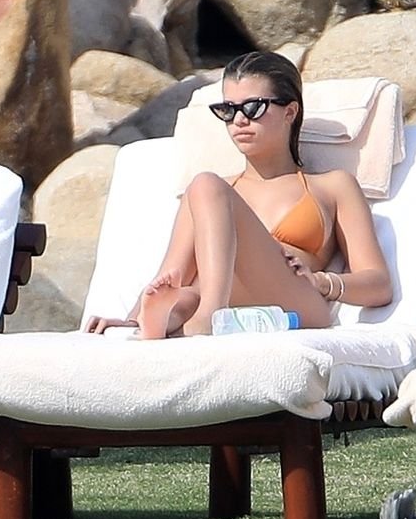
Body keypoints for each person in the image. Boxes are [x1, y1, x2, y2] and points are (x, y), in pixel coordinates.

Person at [86, 50, 394, 339]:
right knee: (182, 294)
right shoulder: (211, 196)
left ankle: (209, 315)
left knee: (206, 185)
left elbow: (379, 284)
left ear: (290, 112)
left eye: (253, 107)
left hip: (293, 304)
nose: (239, 121)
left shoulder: (332, 186)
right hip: (221, 300)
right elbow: (172, 272)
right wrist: (130, 319)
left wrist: (322, 282)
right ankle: (158, 323)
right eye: (228, 110)